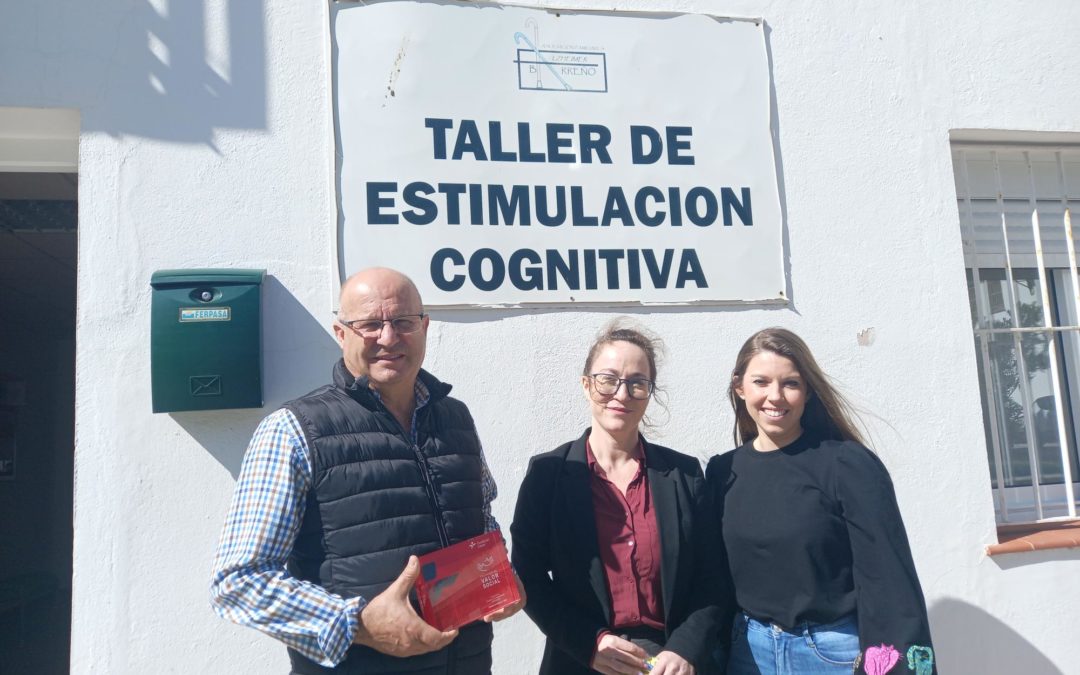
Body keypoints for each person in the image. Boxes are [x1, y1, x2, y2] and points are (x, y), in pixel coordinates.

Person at [210, 267, 523, 674]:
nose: (388, 338)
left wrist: (502, 576)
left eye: (402, 322)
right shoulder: (294, 430)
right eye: (370, 325)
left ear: (424, 327)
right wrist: (356, 623)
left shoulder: (455, 418)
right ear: (342, 334)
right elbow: (238, 581)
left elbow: (479, 521)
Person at [706, 328, 935, 675]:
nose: (776, 396)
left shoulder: (847, 465)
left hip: (831, 656)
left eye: (791, 383)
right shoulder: (723, 471)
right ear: (740, 387)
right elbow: (713, 578)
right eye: (761, 382)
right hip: (747, 656)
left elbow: (887, 579)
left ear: (808, 390)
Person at [511, 322, 726, 675]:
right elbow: (527, 573)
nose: (621, 394)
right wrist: (590, 642)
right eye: (608, 379)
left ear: (649, 392)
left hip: (668, 663)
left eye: (636, 383)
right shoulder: (548, 474)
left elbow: (713, 577)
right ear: (586, 385)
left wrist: (686, 649)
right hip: (583, 658)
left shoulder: (684, 475)